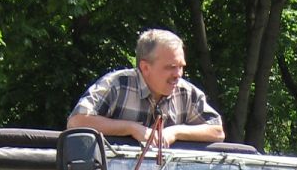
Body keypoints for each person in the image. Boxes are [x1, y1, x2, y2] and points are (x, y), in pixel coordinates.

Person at [67, 28, 225, 146]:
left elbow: (217, 131)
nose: (178, 74)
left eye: (181, 66)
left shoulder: (186, 93)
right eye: (170, 67)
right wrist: (131, 129)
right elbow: (76, 121)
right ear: (145, 67)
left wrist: (175, 132)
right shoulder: (117, 85)